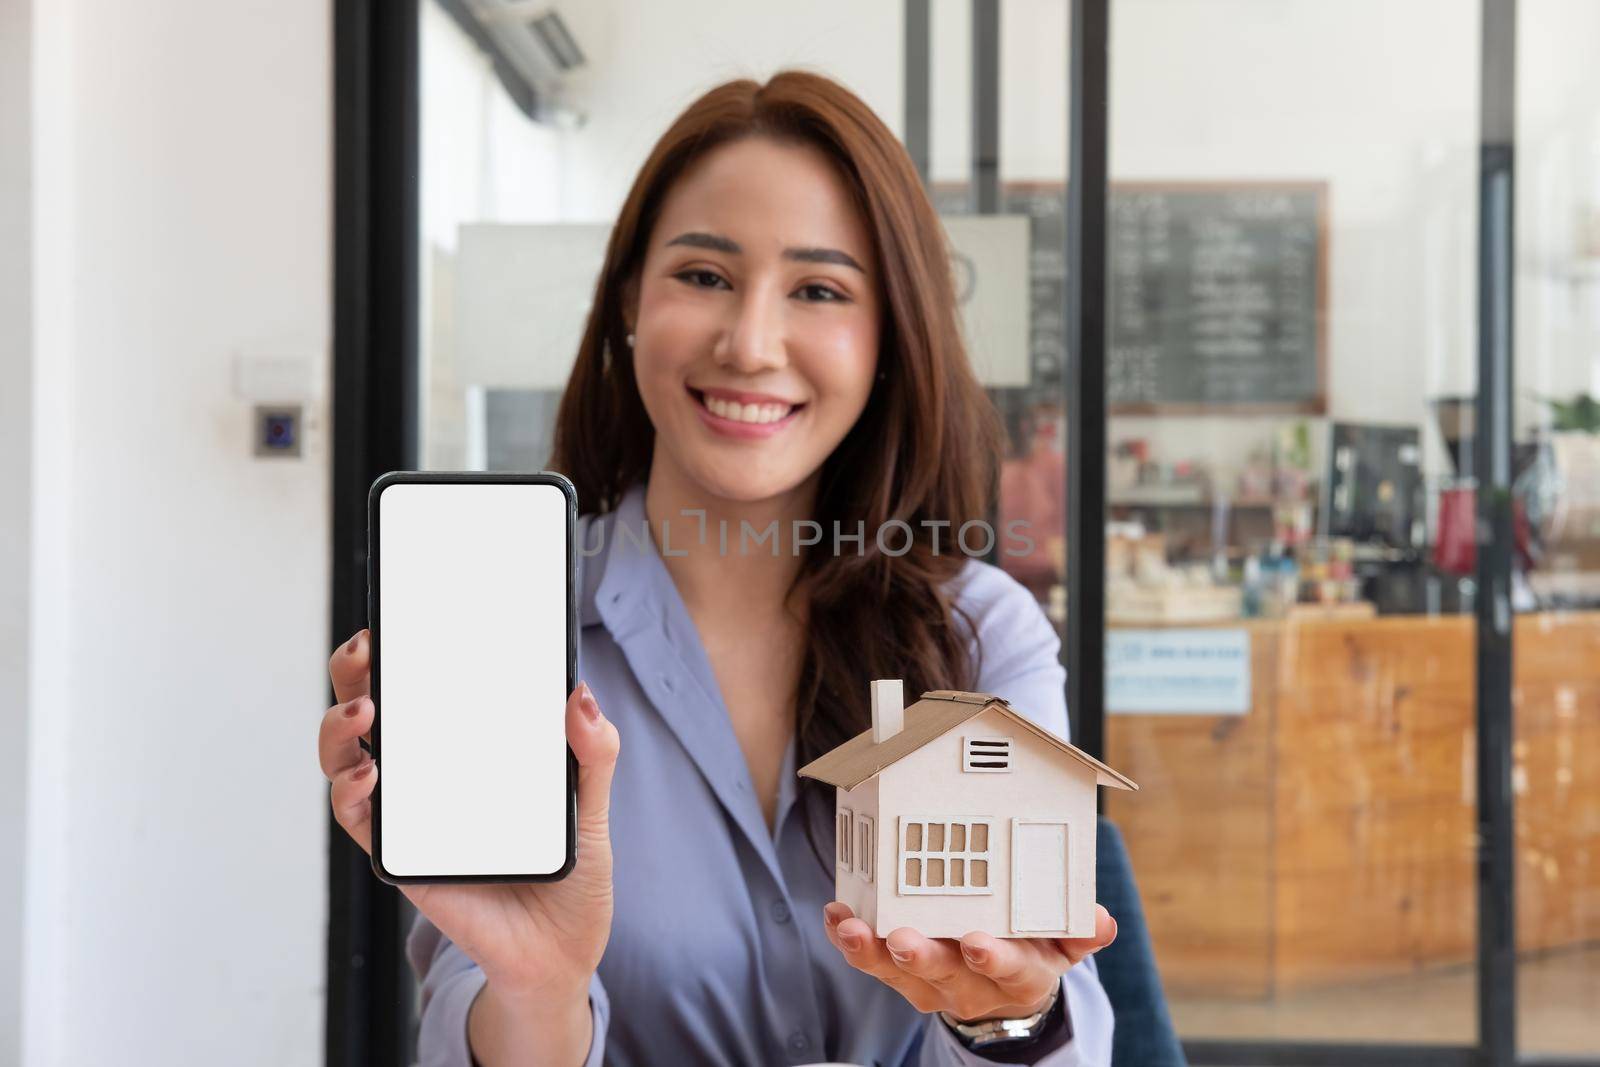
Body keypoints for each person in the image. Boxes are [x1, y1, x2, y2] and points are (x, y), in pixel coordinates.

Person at [318, 70, 1117, 1067]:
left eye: (819, 290)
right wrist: (538, 980)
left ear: (889, 340)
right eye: (703, 276)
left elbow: (1060, 1023)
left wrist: (1003, 1016)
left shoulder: (983, 631)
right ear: (627, 301)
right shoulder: (510, 631)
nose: (749, 342)